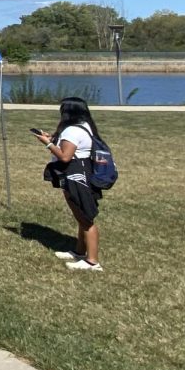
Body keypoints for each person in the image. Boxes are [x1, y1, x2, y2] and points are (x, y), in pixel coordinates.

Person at [36, 98, 107, 271]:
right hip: (82, 171)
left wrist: (48, 144)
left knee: (85, 218)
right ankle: (80, 252)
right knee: (80, 216)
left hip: (76, 174)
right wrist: (53, 138)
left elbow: (65, 156)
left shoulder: (72, 131)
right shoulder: (84, 126)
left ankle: (92, 261)